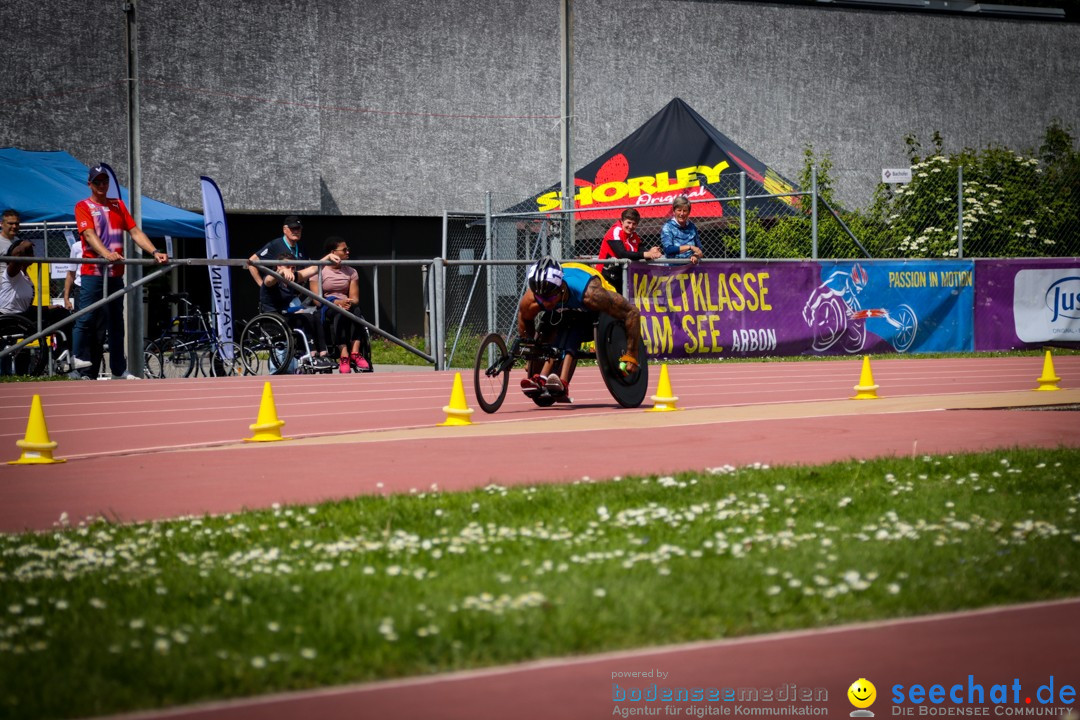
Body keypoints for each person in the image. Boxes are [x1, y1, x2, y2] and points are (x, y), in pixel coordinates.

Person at [73, 165, 168, 379]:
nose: (102, 186)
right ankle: (76, 361)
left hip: (115, 274)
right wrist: (106, 253)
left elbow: (134, 231)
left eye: (104, 181)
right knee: (86, 318)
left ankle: (118, 370)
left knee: (116, 322)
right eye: (97, 182)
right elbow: (88, 235)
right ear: (90, 184)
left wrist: (154, 251)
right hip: (93, 272)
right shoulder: (83, 206)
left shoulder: (118, 205)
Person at [516, 256, 641, 403]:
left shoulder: (592, 294)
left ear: (561, 288)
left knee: (574, 327)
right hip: (563, 312)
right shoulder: (534, 298)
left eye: (549, 299)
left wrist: (632, 354)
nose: (544, 303)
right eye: (540, 299)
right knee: (553, 322)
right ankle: (542, 377)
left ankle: (562, 378)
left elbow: (632, 313)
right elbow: (524, 318)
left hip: (595, 312)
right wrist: (533, 351)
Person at [0, 239, 89, 374]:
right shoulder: (11, 274)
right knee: (54, 317)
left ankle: (63, 356)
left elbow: (25, 306)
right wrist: (25, 244)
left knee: (62, 314)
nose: (33, 255)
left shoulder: (26, 277)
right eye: (30, 253)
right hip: (9, 318)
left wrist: (48, 308)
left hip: (22, 314)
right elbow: (17, 254)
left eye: (32, 252)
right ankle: (61, 357)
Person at [310, 236, 371, 373]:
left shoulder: (351, 272)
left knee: (356, 311)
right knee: (340, 312)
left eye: (348, 249)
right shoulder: (319, 271)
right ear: (333, 252)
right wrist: (337, 303)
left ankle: (355, 353)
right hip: (328, 305)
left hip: (346, 303)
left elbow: (355, 298)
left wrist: (348, 302)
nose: (348, 252)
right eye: (344, 250)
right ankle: (344, 355)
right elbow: (316, 300)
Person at [595, 208, 662, 293]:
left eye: (634, 224)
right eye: (628, 222)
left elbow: (641, 252)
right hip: (605, 276)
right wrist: (647, 254)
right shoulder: (615, 231)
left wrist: (651, 252)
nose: (631, 226)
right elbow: (622, 253)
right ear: (622, 221)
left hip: (621, 276)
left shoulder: (633, 235)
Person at [660, 195, 704, 265]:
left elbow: (699, 248)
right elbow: (668, 250)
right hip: (672, 269)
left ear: (689, 212)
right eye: (679, 210)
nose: (682, 214)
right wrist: (690, 247)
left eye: (685, 211)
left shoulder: (692, 227)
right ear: (674, 211)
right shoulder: (668, 227)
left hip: (690, 268)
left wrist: (696, 255)